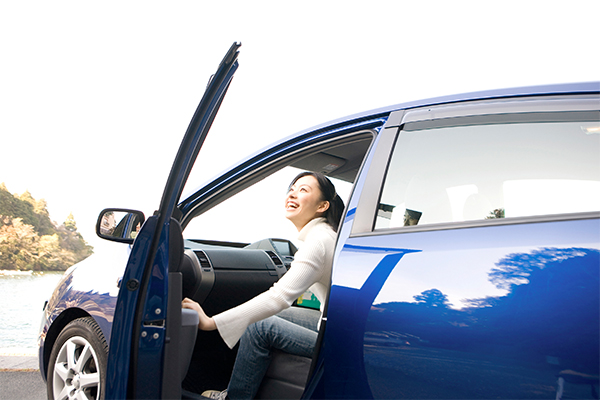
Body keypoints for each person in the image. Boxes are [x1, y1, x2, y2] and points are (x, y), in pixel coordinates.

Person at [182, 171, 344, 400]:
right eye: (292, 188)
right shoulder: (325, 234)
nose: (293, 194)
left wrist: (211, 323)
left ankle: (235, 396)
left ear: (323, 206)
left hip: (337, 339)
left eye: (304, 190)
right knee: (283, 313)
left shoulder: (318, 241)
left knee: (260, 326)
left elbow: (278, 297)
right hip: (337, 327)